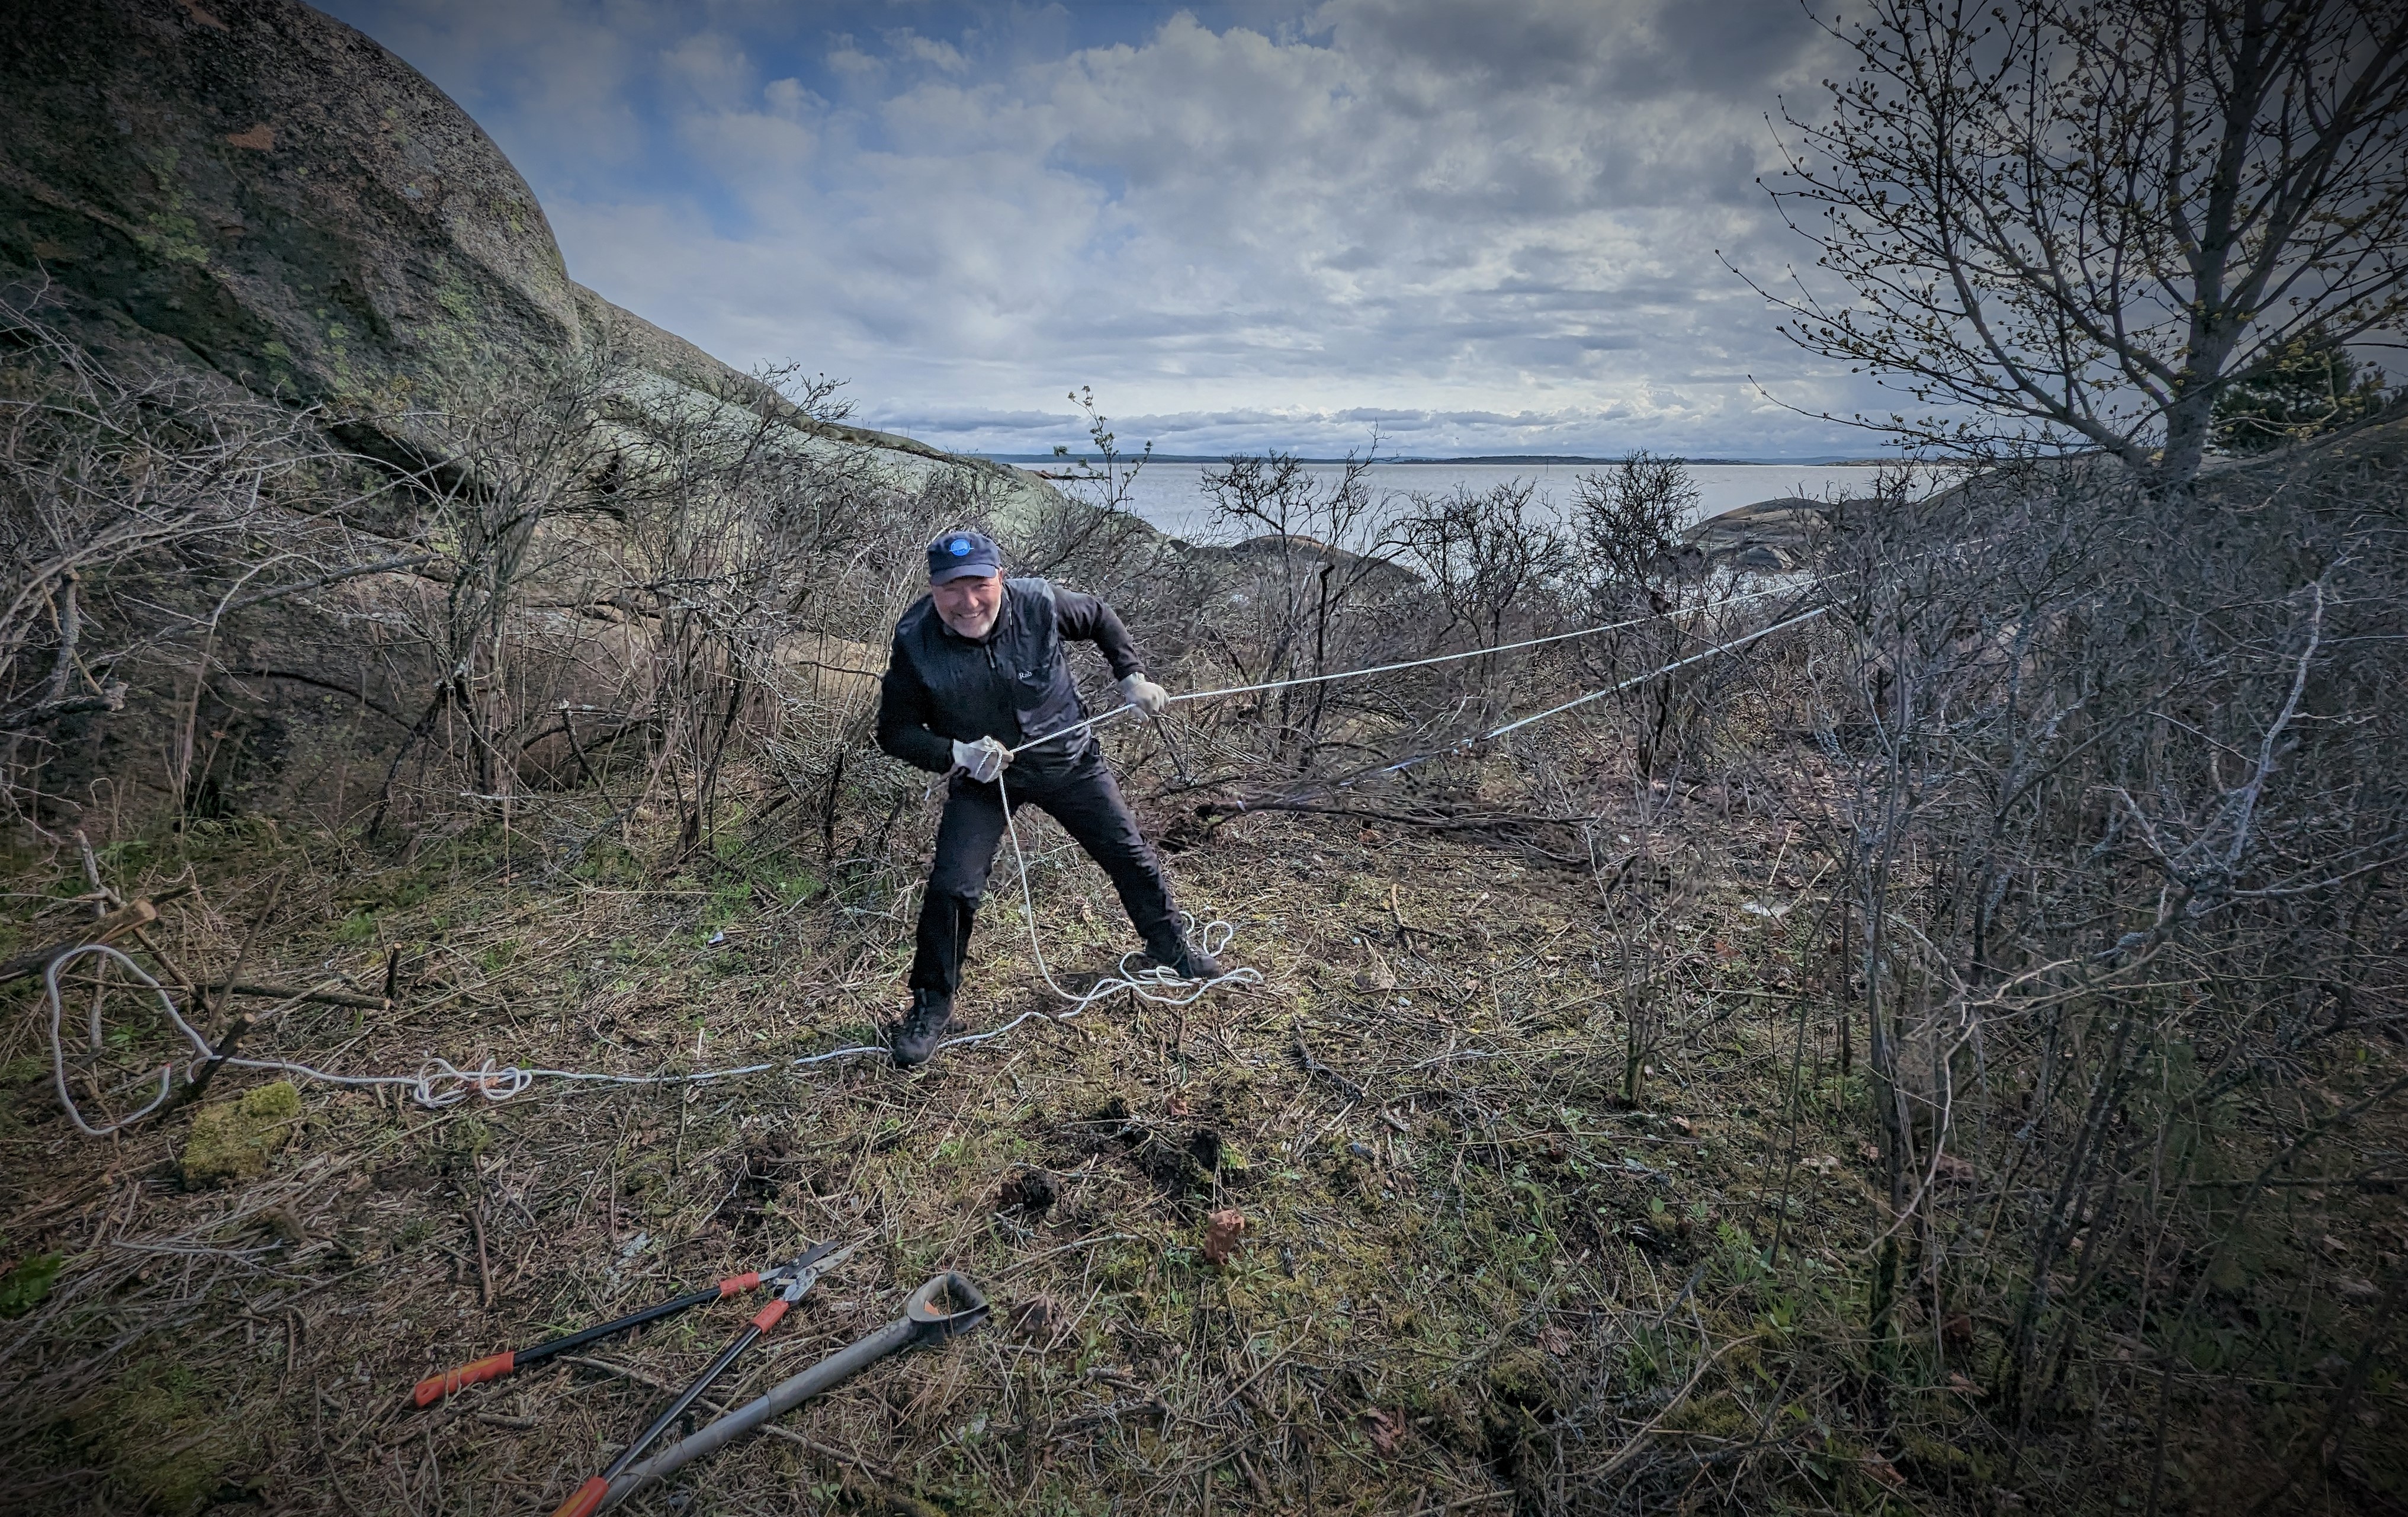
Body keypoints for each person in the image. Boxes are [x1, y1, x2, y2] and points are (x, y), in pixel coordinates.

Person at [875, 530, 1224, 1067]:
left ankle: (1170, 946)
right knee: (953, 886)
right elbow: (894, 731)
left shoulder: (1039, 602)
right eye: (951, 589)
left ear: (1000, 579)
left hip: (1069, 761)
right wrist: (957, 753)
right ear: (933, 589)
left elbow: (1101, 616)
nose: (967, 603)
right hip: (984, 780)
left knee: (1126, 852)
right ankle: (931, 1005)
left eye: (978, 585)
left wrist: (1132, 676)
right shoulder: (915, 640)